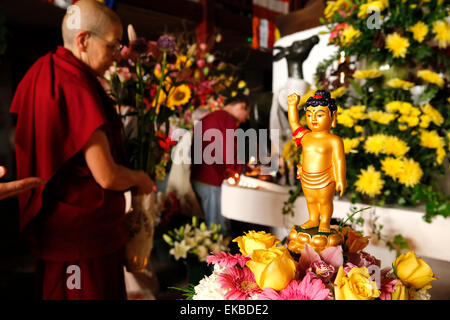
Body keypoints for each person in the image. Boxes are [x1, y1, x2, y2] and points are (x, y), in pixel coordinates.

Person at [10, 0, 154, 300]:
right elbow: (106, 175)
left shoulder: (42, 70)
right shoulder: (75, 85)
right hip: (82, 236)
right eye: (113, 46)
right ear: (83, 40)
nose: (116, 57)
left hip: (57, 223)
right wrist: (140, 178)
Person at [287, 90, 347, 233]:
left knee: (324, 201)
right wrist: (292, 106)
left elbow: (339, 160)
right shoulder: (306, 136)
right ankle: (313, 219)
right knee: (311, 200)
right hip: (306, 176)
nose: (313, 119)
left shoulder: (334, 140)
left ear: (332, 116)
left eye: (319, 115)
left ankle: (325, 221)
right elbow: (294, 122)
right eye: (309, 115)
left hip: (325, 177)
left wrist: (340, 179)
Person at [190, 95, 250, 232]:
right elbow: (229, 151)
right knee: (218, 230)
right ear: (241, 106)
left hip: (200, 177)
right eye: (246, 114)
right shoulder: (226, 118)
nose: (244, 119)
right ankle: (219, 254)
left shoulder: (211, 117)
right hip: (212, 180)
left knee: (212, 226)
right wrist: (239, 170)